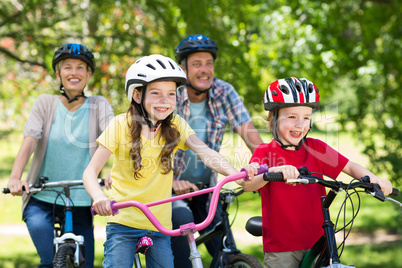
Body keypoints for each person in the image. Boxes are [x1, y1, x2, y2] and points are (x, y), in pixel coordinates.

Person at [82, 54, 253, 268]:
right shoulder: (120, 125)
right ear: (137, 95)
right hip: (124, 221)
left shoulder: (176, 126)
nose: (165, 100)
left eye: (171, 94)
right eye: (155, 93)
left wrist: (234, 173)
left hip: (160, 225)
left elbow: (207, 153)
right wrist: (99, 197)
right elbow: (90, 172)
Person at [241, 77, 394, 268]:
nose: (300, 124)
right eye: (292, 117)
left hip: (319, 241)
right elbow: (248, 183)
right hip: (283, 248)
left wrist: (375, 179)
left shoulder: (316, 149)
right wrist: (270, 172)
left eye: (306, 117)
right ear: (273, 118)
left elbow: (350, 166)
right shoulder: (265, 152)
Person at [6, 43, 115, 268]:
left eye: (80, 67)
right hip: (41, 197)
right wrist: (15, 177)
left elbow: (114, 138)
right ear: (58, 74)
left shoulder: (99, 104)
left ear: (88, 74)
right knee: (50, 261)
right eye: (67, 67)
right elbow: (30, 139)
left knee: (84, 263)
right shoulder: (46, 103)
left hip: (83, 200)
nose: (74, 72)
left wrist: (116, 171)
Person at [171, 34, 263, 267]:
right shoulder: (170, 94)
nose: (204, 70)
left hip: (207, 188)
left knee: (227, 254)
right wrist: (171, 180)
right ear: (183, 69)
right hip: (170, 189)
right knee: (181, 229)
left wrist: (266, 169)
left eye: (209, 63)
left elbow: (252, 137)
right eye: (197, 64)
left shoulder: (224, 92)